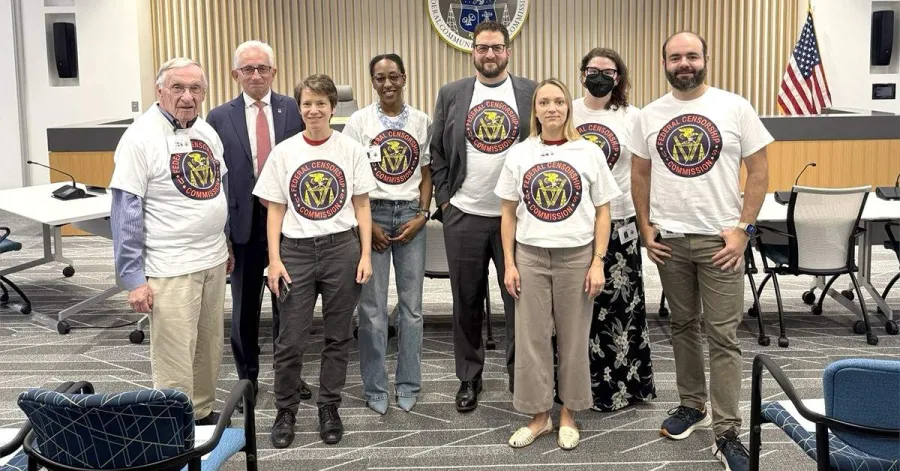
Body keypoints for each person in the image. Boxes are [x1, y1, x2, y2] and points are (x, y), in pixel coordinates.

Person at [630, 31, 771, 471]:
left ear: (705, 58)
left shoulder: (735, 107)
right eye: (675, 57)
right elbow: (639, 175)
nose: (684, 63)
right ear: (664, 62)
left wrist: (743, 230)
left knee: (723, 336)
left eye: (692, 55)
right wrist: (645, 227)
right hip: (670, 239)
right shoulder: (649, 115)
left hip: (720, 241)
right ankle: (693, 405)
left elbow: (760, 171)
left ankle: (727, 431)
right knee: (683, 325)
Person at [495, 78, 620, 450]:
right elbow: (507, 213)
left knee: (573, 337)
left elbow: (603, 212)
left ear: (568, 108)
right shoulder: (519, 154)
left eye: (559, 102)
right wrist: (509, 263)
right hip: (530, 256)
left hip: (577, 257)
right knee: (531, 339)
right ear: (534, 110)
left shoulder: (588, 152)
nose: (552, 108)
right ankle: (538, 417)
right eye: (544, 102)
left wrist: (598, 262)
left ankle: (568, 413)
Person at [253, 74, 376, 448]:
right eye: (307, 103)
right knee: (290, 338)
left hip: (342, 249)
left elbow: (361, 204)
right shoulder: (285, 151)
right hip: (296, 252)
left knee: (338, 337)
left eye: (321, 103)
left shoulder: (349, 149)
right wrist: (274, 260)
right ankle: (286, 409)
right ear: (299, 108)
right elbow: (274, 210)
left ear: (332, 107)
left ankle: (329, 406)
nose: (313, 110)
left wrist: (366, 254)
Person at [110, 57, 231, 426]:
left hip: (210, 260)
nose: (187, 96)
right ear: (160, 90)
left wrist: (223, 244)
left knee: (208, 350)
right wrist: (133, 279)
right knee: (175, 357)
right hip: (170, 267)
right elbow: (125, 211)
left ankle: (203, 416)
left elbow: (217, 189)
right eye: (178, 88)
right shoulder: (140, 137)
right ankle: (172, 430)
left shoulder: (206, 132)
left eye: (195, 89)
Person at [430, 20, 537, 412]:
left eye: (496, 47)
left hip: (521, 217)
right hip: (466, 214)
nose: (489, 54)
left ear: (507, 51)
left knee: (519, 303)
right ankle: (469, 378)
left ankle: (519, 376)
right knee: (467, 303)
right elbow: (437, 151)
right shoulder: (452, 93)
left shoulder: (530, 92)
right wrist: (445, 201)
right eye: (482, 48)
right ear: (472, 52)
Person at [206, 40, 309, 412]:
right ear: (235, 74)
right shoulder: (218, 118)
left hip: (288, 222)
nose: (255, 75)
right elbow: (215, 178)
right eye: (248, 69)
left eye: (262, 68)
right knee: (245, 307)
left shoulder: (295, 110)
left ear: (274, 72)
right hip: (244, 225)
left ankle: (290, 376)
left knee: (290, 307)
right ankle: (247, 378)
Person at [343, 53, 432, 415]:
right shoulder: (358, 122)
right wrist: (366, 224)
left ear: (404, 77)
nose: (388, 84)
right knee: (372, 309)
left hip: (411, 215)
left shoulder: (422, 121)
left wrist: (424, 215)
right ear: (372, 82)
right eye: (380, 78)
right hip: (373, 215)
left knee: (412, 309)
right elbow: (347, 179)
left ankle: (409, 383)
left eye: (394, 76)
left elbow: (426, 174)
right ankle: (376, 385)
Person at [572, 47, 656, 411]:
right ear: (582, 73)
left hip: (620, 222)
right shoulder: (568, 110)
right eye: (593, 70)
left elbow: (641, 173)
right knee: (577, 307)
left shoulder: (633, 117)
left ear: (618, 77)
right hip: (574, 224)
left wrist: (645, 220)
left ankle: (619, 388)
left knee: (621, 310)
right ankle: (576, 386)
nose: (600, 76)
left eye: (608, 71)